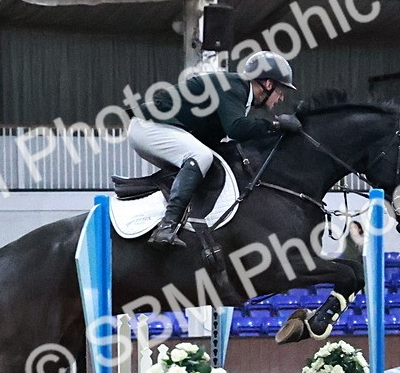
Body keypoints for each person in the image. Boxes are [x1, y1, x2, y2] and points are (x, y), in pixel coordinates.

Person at [127, 51, 302, 249]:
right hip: (149, 125)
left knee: (206, 162)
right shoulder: (235, 87)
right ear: (268, 84)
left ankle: (180, 221)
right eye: (281, 91)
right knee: (200, 156)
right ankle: (167, 226)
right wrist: (275, 126)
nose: (280, 99)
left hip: (158, 127)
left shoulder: (240, 95)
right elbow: (236, 129)